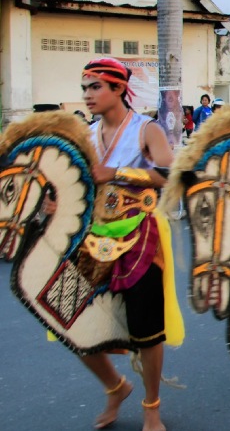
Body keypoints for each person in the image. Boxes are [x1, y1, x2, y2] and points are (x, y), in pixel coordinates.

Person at [75, 58, 183, 430]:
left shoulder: (145, 129)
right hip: (93, 237)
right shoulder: (85, 135)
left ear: (119, 89)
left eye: (95, 87)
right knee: (74, 323)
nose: (88, 95)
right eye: (85, 88)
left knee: (147, 328)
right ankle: (115, 387)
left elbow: (169, 173)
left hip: (141, 238)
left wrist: (117, 173)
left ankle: (150, 405)